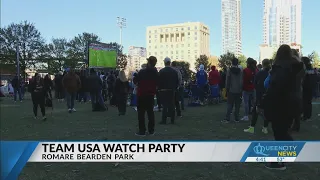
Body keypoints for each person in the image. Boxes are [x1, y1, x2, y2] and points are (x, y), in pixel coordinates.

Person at [263, 44, 302, 170]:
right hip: (292, 104)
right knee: (283, 132)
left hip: (280, 105)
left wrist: (264, 103)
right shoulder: (295, 68)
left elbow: (275, 89)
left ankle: (278, 162)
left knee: (279, 134)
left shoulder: (281, 69)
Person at [244, 59, 271, 134]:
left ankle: (252, 127)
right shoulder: (271, 73)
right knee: (266, 111)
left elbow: (255, 84)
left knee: (255, 111)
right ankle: (265, 128)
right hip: (269, 94)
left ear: (262, 64)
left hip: (260, 94)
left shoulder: (260, 73)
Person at [133, 56, 159, 136]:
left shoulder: (142, 72)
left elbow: (135, 81)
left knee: (141, 113)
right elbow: (158, 83)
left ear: (148, 62)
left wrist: (135, 76)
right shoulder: (156, 73)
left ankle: (142, 131)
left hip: (141, 94)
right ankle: (151, 131)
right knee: (150, 113)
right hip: (150, 95)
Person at [158, 57, 179, 124]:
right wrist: (175, 88)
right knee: (172, 105)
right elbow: (177, 81)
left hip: (163, 90)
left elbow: (159, 81)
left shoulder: (161, 71)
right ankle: (172, 120)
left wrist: (159, 89)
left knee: (165, 106)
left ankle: (164, 120)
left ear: (164, 63)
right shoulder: (174, 72)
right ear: (170, 63)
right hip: (171, 90)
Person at [223, 58, 243, 123]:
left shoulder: (229, 70)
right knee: (237, 106)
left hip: (231, 90)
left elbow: (227, 81)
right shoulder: (240, 71)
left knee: (230, 105)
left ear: (232, 63)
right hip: (239, 90)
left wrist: (227, 89)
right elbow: (242, 80)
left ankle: (227, 118)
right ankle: (236, 118)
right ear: (237, 63)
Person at [301, 57, 316, 121]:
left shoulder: (306, 69)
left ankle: (305, 116)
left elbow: (305, 79)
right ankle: (307, 115)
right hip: (310, 88)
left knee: (305, 102)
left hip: (306, 87)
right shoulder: (311, 69)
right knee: (308, 102)